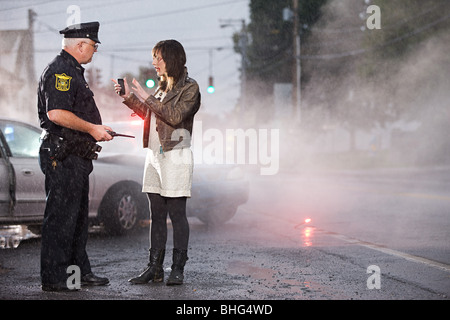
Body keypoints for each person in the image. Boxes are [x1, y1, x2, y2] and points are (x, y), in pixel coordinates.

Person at [113, 39, 201, 285]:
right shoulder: (162, 87)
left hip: (175, 154)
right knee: (157, 213)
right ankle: (155, 268)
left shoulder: (190, 88)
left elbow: (174, 116)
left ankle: (177, 269)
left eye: (158, 58)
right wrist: (130, 97)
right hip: (154, 154)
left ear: (171, 59)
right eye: (154, 58)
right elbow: (151, 114)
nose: (154, 63)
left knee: (177, 214)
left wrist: (146, 97)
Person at [37, 21, 113, 292]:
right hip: (64, 155)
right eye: (93, 46)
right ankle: (56, 278)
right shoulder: (61, 71)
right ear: (80, 45)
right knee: (61, 218)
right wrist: (93, 128)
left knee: (77, 218)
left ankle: (77, 273)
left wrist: (96, 129)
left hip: (74, 156)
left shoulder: (73, 71)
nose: (94, 51)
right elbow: (56, 113)